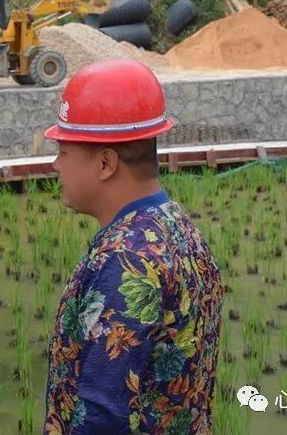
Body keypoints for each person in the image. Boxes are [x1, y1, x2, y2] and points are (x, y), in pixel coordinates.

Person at [42, 60, 223, 434]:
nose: (55, 165)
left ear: (106, 162)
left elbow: (100, 416)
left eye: (63, 151)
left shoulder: (125, 262)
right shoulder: (180, 228)